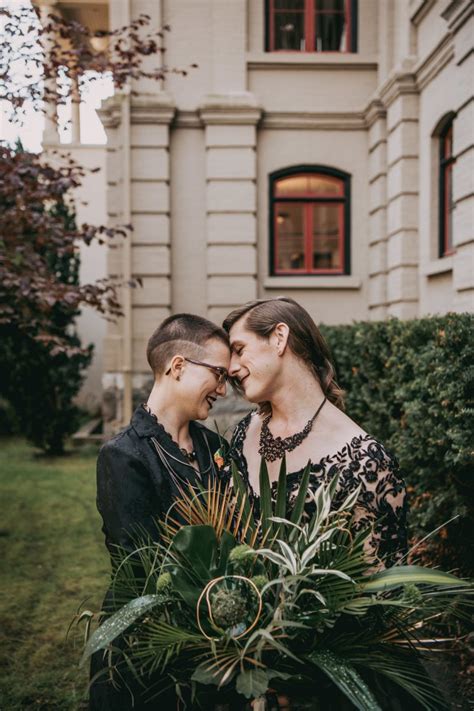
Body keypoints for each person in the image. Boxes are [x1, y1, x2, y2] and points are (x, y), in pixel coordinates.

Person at [89, 313, 230, 711]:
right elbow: (142, 564)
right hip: (147, 647)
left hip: (221, 634)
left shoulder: (215, 448)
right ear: (178, 366)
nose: (222, 387)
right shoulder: (123, 456)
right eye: (218, 374)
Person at [223, 297, 407, 570]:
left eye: (239, 349)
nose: (231, 368)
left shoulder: (365, 461)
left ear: (279, 338)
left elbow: (383, 590)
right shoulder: (244, 432)